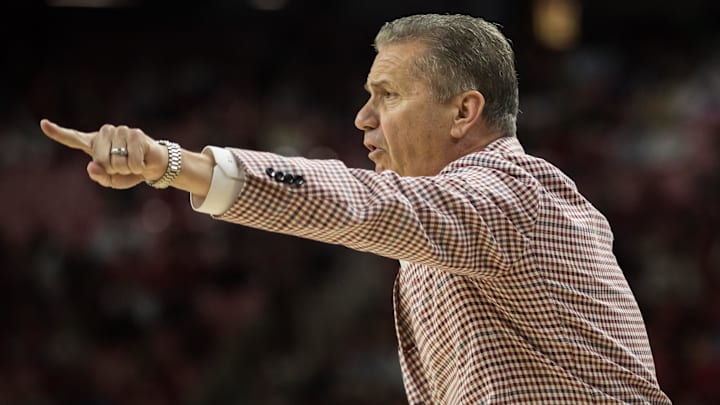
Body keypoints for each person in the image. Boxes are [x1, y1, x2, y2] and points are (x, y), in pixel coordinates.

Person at [40, 13, 671, 405]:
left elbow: (362, 204)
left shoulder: (515, 194)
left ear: (463, 112)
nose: (362, 119)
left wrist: (172, 165)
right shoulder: (453, 225)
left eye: (387, 95)